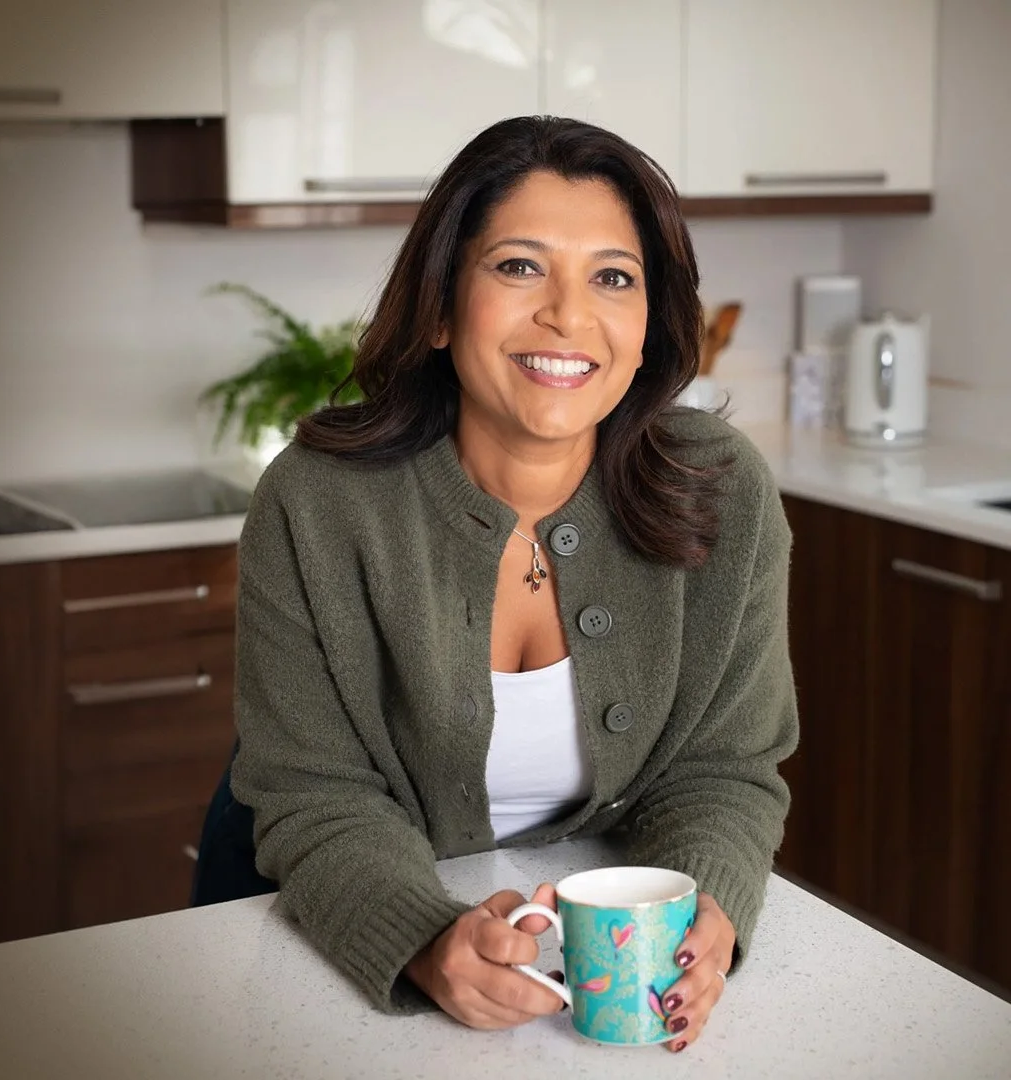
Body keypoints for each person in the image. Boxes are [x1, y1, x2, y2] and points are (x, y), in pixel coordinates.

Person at [206, 116, 798, 1055]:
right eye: (520, 266)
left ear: (650, 326)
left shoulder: (720, 489)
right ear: (441, 309)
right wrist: (425, 939)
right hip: (322, 929)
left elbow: (723, 768)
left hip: (586, 979)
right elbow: (317, 795)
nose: (569, 315)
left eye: (613, 277)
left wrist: (702, 908)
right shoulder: (316, 501)